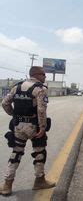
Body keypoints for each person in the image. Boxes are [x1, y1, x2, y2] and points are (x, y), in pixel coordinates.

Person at [0, 66, 55, 196]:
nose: (45, 77)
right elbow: (41, 110)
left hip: (18, 125)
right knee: (39, 152)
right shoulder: (40, 89)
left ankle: (7, 185)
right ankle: (39, 181)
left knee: (16, 153)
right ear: (37, 74)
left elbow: (5, 103)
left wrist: (14, 114)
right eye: (43, 75)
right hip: (34, 126)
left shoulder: (16, 87)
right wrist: (42, 127)